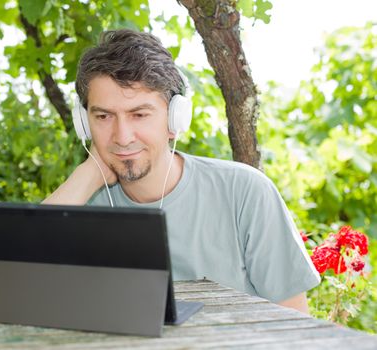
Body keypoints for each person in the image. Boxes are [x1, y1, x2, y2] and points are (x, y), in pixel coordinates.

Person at [43, 29, 320, 313]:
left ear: (176, 117)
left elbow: (294, 321)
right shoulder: (79, 204)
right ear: (84, 123)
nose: (122, 136)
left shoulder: (244, 192)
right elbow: (11, 282)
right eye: (103, 116)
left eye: (139, 114)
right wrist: (87, 174)